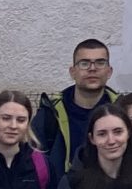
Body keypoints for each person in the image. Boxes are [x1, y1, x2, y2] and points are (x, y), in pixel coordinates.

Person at [33, 39, 117, 175]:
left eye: (100, 63)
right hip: (61, 187)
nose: (92, 68)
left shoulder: (121, 111)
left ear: (109, 71)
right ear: (72, 72)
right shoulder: (51, 113)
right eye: (84, 63)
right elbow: (32, 161)